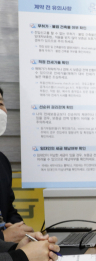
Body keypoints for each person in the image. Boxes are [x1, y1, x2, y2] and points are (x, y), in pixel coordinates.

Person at [0, 86, 35, 243]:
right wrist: (3, 237)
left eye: (0, 104)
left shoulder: (2, 162)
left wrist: (25, 234)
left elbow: (8, 211)